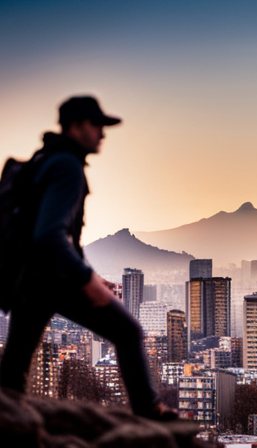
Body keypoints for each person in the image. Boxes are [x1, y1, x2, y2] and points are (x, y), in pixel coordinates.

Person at [0, 96, 176, 420]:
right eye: (97, 126)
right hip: (51, 279)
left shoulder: (44, 158)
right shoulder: (66, 165)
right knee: (128, 332)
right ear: (76, 126)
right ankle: (150, 413)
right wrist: (86, 282)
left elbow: (56, 235)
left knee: (13, 372)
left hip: (28, 281)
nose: (102, 135)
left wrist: (92, 275)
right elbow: (49, 235)